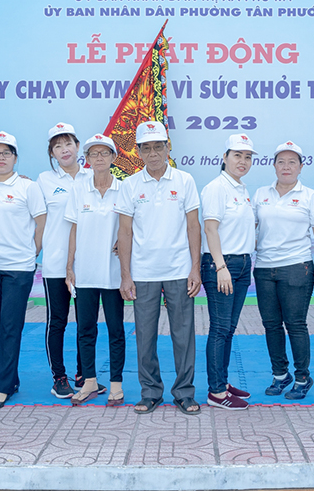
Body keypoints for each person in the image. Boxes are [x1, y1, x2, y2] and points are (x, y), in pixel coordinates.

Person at [115, 121, 201, 415]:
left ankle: (184, 393)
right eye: (146, 148)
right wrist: (126, 275)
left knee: (184, 335)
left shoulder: (185, 181)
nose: (153, 153)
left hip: (179, 270)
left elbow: (193, 227)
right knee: (145, 336)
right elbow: (124, 232)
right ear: (138, 152)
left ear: (168, 148)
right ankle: (150, 392)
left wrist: (195, 268)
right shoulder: (130, 185)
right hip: (143, 272)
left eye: (158, 147)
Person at [0, 131, 47, 410]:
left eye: (6, 153)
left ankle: (1, 387)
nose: (1, 158)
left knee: (10, 326)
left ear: (15, 158)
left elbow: (41, 222)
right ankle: (10, 379)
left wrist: (32, 251)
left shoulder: (28, 187)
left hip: (18, 267)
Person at [253, 141, 314, 400]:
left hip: (297, 267)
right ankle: (279, 375)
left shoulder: (309, 196)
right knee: (271, 325)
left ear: (301, 166)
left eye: (292, 162)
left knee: (295, 325)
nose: (286, 167)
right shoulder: (261, 194)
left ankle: (302, 377)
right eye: (281, 162)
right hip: (264, 268)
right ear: (274, 165)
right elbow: (249, 228)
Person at [65, 133, 125, 406]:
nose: (99, 158)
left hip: (113, 273)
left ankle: (116, 385)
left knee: (116, 330)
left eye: (104, 153)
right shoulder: (79, 189)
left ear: (113, 157)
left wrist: (122, 243)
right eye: (93, 154)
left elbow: (130, 227)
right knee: (85, 329)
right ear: (87, 159)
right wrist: (70, 266)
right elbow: (73, 230)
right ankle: (89, 381)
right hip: (85, 272)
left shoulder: (124, 189)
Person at [200, 134, 257, 409]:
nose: (242, 161)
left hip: (242, 265)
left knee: (229, 329)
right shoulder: (216, 188)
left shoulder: (241, 188)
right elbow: (210, 229)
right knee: (220, 329)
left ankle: (221, 382)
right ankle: (216, 393)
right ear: (224, 158)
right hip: (222, 265)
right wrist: (220, 266)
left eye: (247, 157)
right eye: (237, 155)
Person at [37, 122, 92, 399]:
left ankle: (85, 375)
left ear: (78, 146)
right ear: (52, 153)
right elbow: (37, 219)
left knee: (86, 322)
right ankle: (59, 377)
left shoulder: (93, 176)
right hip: (56, 263)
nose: (64, 149)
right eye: (57, 146)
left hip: (88, 263)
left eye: (68, 143)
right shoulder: (43, 181)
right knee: (57, 321)